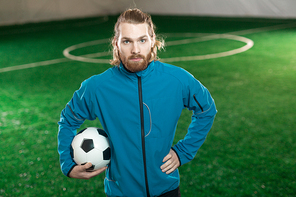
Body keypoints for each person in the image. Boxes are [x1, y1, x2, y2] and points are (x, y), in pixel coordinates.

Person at [58, 8, 217, 197]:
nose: (135, 50)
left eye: (142, 40)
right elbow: (68, 120)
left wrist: (182, 152)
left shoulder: (177, 80)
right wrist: (68, 164)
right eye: (127, 41)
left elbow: (207, 110)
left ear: (152, 41)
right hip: (121, 192)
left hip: (166, 189)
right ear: (116, 44)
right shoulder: (97, 87)